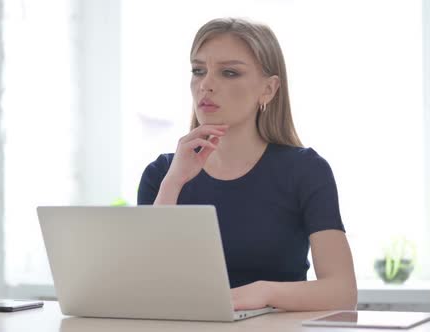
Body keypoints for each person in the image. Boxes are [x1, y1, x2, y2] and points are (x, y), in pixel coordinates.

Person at [137, 17, 357, 311]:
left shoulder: (305, 171)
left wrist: (264, 293)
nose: (206, 85)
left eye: (229, 72)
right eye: (198, 70)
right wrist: (173, 184)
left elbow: (342, 292)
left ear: (268, 89)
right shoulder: (162, 174)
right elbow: (144, 286)